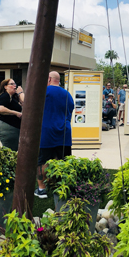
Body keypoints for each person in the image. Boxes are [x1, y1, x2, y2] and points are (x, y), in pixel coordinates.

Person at [35, 71, 75, 199]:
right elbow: (70, 111)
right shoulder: (67, 94)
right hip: (64, 132)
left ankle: (42, 189)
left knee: (42, 161)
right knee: (63, 161)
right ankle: (62, 187)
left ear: (49, 79)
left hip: (46, 131)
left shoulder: (44, 91)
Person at [0, 78, 23, 151]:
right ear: (5, 86)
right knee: (10, 151)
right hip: (7, 127)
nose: (14, 86)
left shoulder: (13, 98)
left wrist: (19, 95)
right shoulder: (5, 96)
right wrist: (16, 113)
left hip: (13, 127)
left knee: (13, 150)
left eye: (15, 84)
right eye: (12, 84)